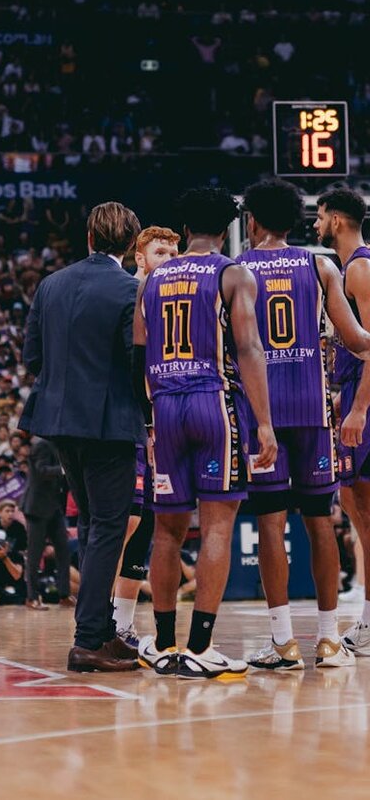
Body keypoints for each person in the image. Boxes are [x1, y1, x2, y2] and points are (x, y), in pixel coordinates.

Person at [133, 186, 277, 679]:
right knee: (217, 524)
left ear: (187, 227)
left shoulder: (151, 279)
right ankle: (200, 646)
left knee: (167, 531)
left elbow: (139, 349)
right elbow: (250, 347)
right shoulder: (231, 271)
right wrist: (263, 422)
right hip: (212, 401)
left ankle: (166, 644)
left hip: (164, 406)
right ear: (228, 227)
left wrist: (149, 419)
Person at [238, 178, 370, 671]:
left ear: (251, 220)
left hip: (263, 417)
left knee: (272, 526)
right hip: (314, 414)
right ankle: (330, 640)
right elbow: (357, 339)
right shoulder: (321, 266)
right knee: (320, 524)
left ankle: (282, 642)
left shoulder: (238, 269)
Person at [19, 201, 143, 673]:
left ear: (89, 237)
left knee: (93, 522)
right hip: (108, 423)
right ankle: (90, 639)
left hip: (57, 420)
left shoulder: (51, 284)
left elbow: (33, 356)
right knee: (110, 526)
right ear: (132, 245)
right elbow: (134, 362)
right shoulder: (130, 288)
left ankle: (102, 630)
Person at [113, 226, 181, 646]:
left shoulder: (171, 303)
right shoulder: (127, 297)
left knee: (148, 523)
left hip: (160, 423)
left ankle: (122, 623)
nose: (168, 261)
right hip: (126, 423)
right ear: (140, 257)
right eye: (160, 253)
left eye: (174, 253)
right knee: (128, 519)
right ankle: (97, 619)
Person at [314, 187, 370, 656]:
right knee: (358, 513)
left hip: (364, 403)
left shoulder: (358, 268)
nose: (314, 226)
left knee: (364, 515)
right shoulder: (352, 269)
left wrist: (358, 408)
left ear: (335, 219)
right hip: (352, 396)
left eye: (318, 217)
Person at [22, 436, 75, 611]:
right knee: (35, 554)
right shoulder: (41, 445)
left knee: (63, 550)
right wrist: (64, 469)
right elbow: (41, 470)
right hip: (37, 507)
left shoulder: (60, 445)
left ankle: (64, 595)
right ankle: (31, 597)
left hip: (54, 507)